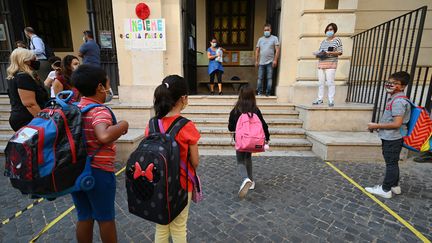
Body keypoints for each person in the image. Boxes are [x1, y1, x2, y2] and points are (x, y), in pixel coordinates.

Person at [71, 64, 129, 243]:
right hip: (98, 172)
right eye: (108, 84)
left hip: (76, 170)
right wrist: (123, 125)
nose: (108, 89)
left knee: (84, 215)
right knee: (105, 217)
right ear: (100, 87)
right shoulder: (99, 110)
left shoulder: (75, 108)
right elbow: (103, 135)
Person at [146, 75, 200, 243]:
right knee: (178, 227)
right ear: (183, 98)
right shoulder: (187, 125)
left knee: (161, 226)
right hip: (182, 184)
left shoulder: (152, 124)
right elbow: (195, 161)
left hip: (157, 184)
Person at [366, 71, 411, 199]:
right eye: (389, 82)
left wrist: (376, 126)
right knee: (393, 162)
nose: (390, 85)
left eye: (395, 83)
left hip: (393, 137)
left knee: (391, 163)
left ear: (402, 86)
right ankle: (394, 186)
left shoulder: (398, 102)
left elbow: (397, 123)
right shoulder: (395, 98)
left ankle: (385, 189)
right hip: (392, 136)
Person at [228, 86, 270, 199]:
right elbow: (263, 124)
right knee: (248, 158)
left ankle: (245, 178)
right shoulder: (255, 109)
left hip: (241, 140)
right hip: (252, 141)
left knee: (240, 161)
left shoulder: (236, 109)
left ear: (240, 95)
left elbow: (230, 126)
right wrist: (267, 137)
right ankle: (251, 180)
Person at [6, 48, 48, 131]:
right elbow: (30, 104)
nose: (36, 61)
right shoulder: (23, 77)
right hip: (28, 118)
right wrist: (44, 121)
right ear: (25, 61)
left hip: (22, 117)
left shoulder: (14, 76)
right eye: (33, 59)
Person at [312, 23, 343, 107]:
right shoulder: (323, 41)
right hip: (321, 64)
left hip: (331, 64)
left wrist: (329, 52)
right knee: (321, 83)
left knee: (330, 82)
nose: (329, 31)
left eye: (331, 29)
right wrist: (318, 54)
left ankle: (331, 100)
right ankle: (320, 99)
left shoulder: (337, 40)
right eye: (328, 30)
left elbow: (340, 52)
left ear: (334, 30)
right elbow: (320, 51)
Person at [255, 23, 280, 97]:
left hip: (270, 62)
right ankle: (259, 92)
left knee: (269, 78)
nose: (266, 31)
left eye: (268, 30)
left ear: (270, 30)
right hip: (261, 62)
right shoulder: (260, 39)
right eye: (265, 30)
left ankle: (268, 92)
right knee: (260, 78)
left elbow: (277, 50)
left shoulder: (274, 38)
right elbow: (257, 50)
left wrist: (275, 60)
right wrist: (256, 60)